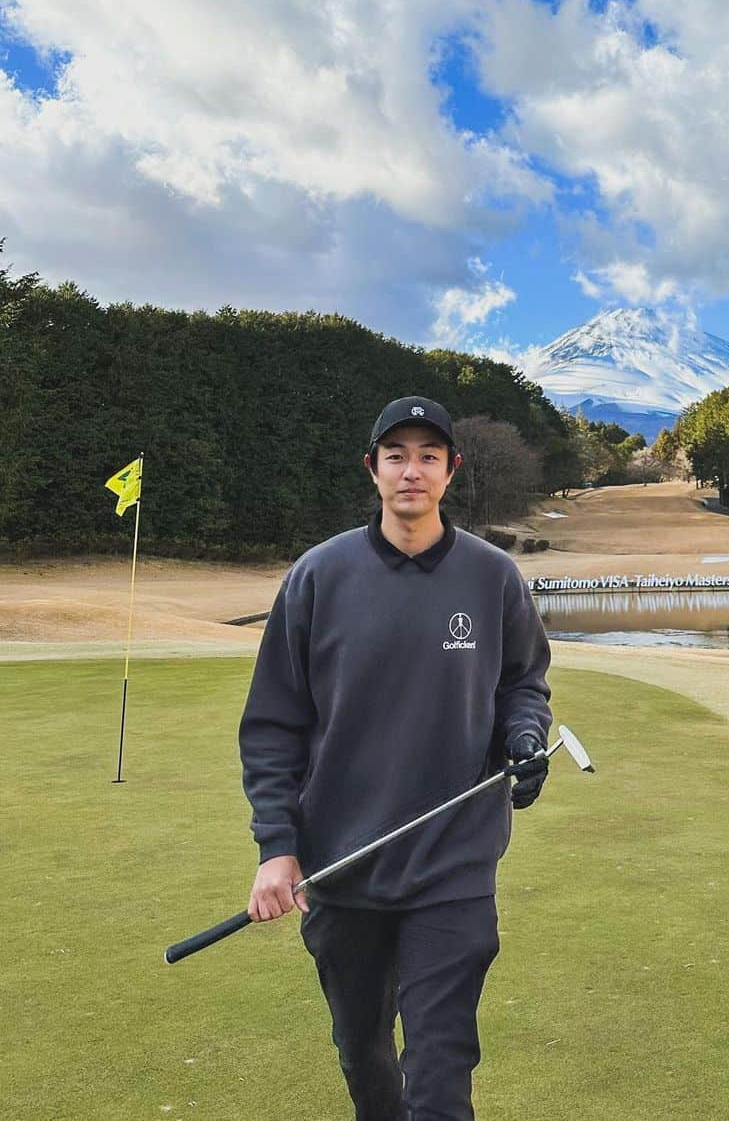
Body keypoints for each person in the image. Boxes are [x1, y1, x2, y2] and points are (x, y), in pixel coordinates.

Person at [238, 395, 552, 1119]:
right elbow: (273, 724)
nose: (412, 470)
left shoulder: (492, 576)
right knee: (364, 1055)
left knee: (440, 1072)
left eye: (429, 457)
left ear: (451, 472)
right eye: (396, 456)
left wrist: (525, 738)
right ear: (373, 469)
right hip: (342, 866)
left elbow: (522, 684)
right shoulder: (319, 576)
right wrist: (277, 847)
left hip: (455, 865)